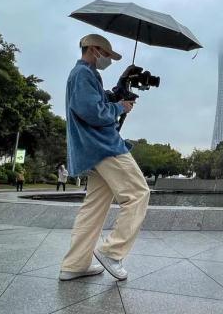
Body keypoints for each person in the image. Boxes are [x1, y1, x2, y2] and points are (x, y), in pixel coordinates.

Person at [59, 34, 150, 282]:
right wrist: (120, 107)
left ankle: (75, 264)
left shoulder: (86, 75)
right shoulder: (82, 75)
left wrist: (119, 88)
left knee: (94, 207)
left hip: (90, 150)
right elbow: (94, 113)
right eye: (107, 55)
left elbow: (96, 102)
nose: (108, 60)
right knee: (139, 194)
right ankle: (112, 252)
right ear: (94, 49)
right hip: (103, 146)